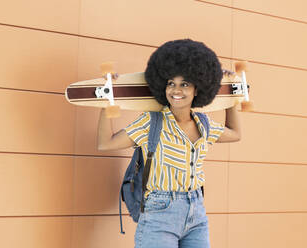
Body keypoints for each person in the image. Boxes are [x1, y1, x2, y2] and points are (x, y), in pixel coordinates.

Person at [97, 39, 241, 248]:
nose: (176, 90)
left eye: (184, 84)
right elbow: (105, 143)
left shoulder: (203, 123)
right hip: (159, 212)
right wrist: (106, 101)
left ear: (197, 89)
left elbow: (235, 133)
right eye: (171, 83)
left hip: (196, 211)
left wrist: (229, 96)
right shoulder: (151, 122)